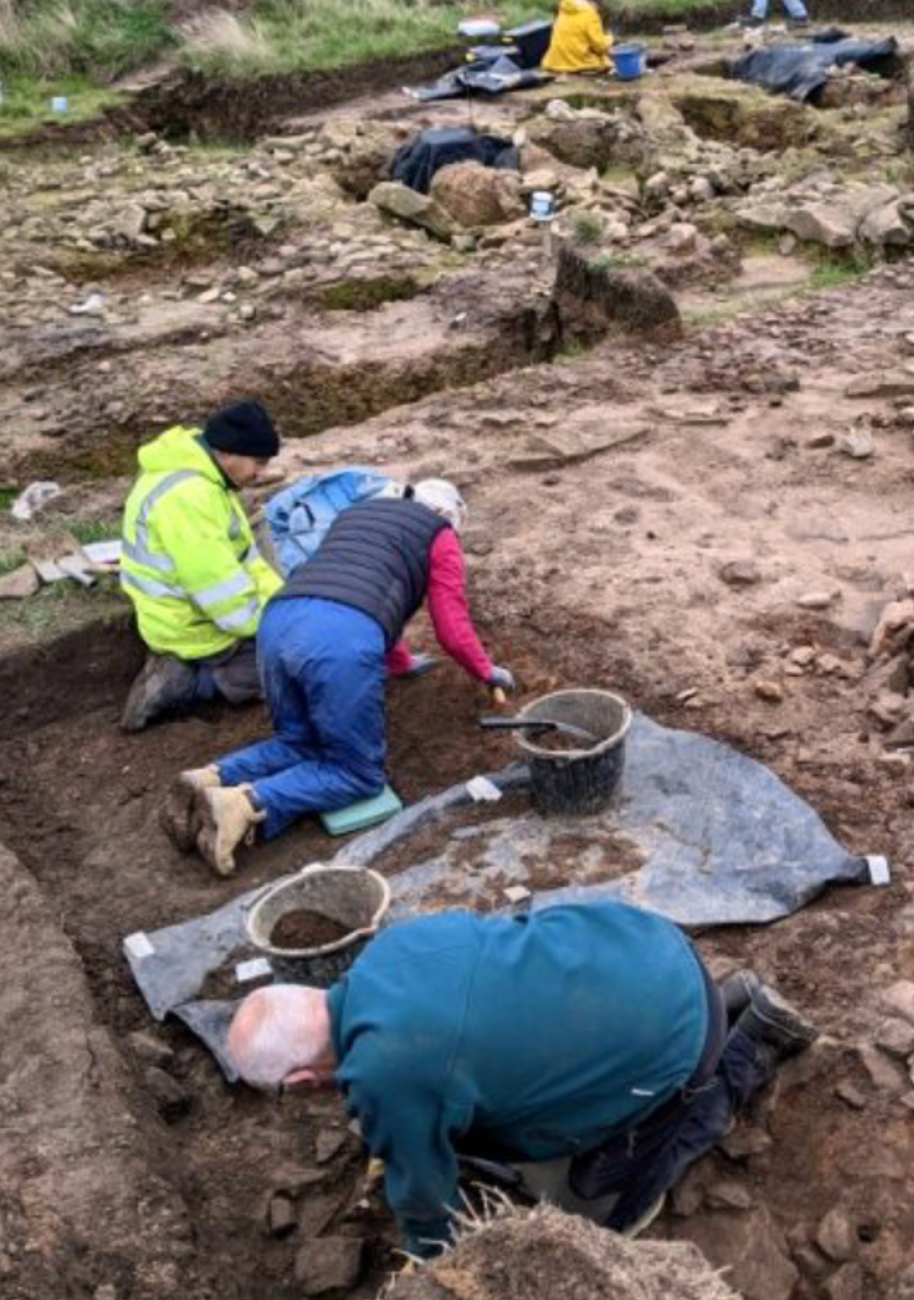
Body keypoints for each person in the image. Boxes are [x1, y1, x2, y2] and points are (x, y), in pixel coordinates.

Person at [226, 901, 818, 1256]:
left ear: (302, 1080)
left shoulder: (387, 1073)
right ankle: (722, 998)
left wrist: (435, 1270)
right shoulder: (390, 951)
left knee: (598, 1216)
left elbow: (428, 1206)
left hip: (674, 1041)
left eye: (286, 1095)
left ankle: (748, 1048)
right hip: (650, 947)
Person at [168, 479, 513, 875]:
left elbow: (366, 588)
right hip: (338, 641)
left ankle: (209, 777)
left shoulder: (356, 516)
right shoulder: (440, 535)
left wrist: (398, 662)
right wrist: (485, 671)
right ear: (449, 515)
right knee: (357, 774)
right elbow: (451, 627)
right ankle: (248, 802)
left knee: (300, 740)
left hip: (278, 622)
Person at [118, 400, 283, 732]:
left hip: (185, 610)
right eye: (258, 462)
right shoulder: (191, 499)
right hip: (188, 625)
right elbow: (229, 605)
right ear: (227, 454)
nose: (261, 474)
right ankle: (189, 683)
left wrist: (282, 601)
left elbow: (243, 561)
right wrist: (280, 625)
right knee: (290, 668)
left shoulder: (202, 471)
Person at [542, 0, 613, 76]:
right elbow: (599, 47)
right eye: (598, 5)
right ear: (595, 1)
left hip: (555, 61)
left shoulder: (564, 9)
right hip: (576, 62)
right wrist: (610, 39)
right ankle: (583, 69)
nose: (598, 9)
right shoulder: (590, 15)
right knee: (605, 61)